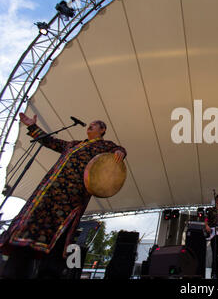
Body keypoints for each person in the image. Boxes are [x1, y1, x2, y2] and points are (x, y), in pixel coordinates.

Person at [0, 113, 126, 279]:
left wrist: (119, 152)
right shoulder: (73, 144)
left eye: (94, 124)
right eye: (90, 123)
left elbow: (119, 150)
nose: (90, 125)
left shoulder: (105, 146)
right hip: (48, 193)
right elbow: (50, 141)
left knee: (59, 237)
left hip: (70, 198)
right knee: (30, 229)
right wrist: (32, 126)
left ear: (102, 130)